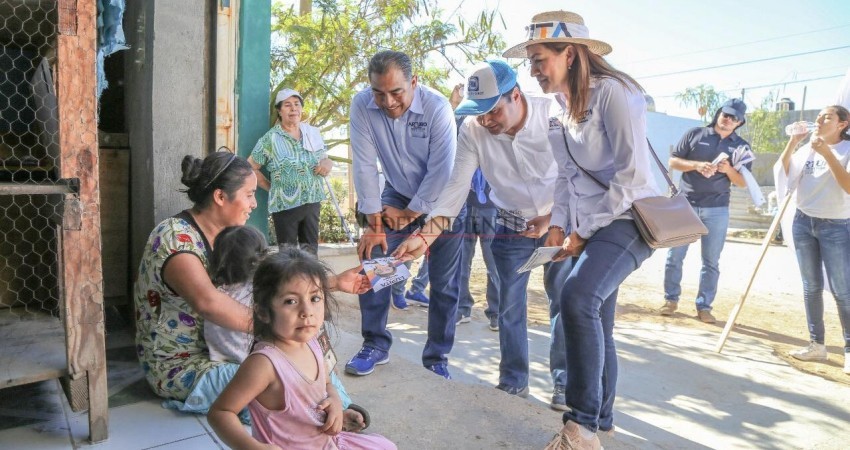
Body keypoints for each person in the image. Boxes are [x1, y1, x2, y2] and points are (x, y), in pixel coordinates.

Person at [504, 10, 662, 448]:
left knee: (576, 297)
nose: (534, 71)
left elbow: (631, 178)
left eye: (540, 60)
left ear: (570, 54)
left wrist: (584, 232)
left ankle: (581, 427)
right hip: (590, 223)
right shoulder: (558, 109)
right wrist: (558, 226)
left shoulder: (616, 93)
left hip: (628, 218)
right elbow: (566, 176)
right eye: (531, 62)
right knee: (594, 318)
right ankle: (602, 419)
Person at [133, 151, 369, 423]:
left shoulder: (228, 236)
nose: (254, 204)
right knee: (280, 378)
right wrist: (281, 328)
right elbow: (208, 303)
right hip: (187, 365)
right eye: (249, 194)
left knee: (303, 341)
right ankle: (328, 413)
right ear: (220, 197)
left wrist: (334, 283)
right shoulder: (174, 238)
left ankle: (338, 404)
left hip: (228, 352)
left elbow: (273, 282)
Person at [393, 60, 571, 409]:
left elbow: (576, 177)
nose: (486, 121)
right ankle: (514, 380)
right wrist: (425, 237)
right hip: (512, 225)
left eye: (493, 111)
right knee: (508, 305)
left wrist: (553, 220)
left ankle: (565, 382)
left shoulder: (553, 116)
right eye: (479, 112)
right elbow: (455, 189)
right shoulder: (473, 130)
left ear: (515, 95)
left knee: (563, 302)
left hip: (561, 223)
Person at [346, 50, 465, 380]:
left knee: (444, 282)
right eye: (378, 93)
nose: (388, 102)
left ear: (414, 82)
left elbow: (442, 171)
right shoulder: (361, 106)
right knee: (377, 261)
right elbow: (364, 165)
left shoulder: (437, 107)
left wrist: (411, 213)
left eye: (396, 92)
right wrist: (373, 222)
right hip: (396, 192)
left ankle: (437, 357)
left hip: (443, 202)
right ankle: (375, 344)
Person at [208, 249, 396, 449]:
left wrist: (335, 403)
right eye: (291, 301)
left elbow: (326, 384)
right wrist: (252, 447)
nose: (307, 312)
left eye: (315, 299)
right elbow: (220, 413)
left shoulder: (311, 342)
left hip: (327, 442)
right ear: (263, 312)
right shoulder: (264, 364)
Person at [660, 98, 752, 324]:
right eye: (725, 114)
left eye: (734, 118)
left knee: (711, 262)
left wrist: (728, 169)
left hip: (717, 209)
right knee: (674, 256)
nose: (728, 119)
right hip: (685, 205)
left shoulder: (742, 147)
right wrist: (697, 165)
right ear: (719, 113)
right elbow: (673, 162)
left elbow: (742, 182)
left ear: (739, 123)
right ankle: (670, 300)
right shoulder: (695, 134)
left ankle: (704, 306)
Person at [781, 106, 850, 375]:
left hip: (836, 226)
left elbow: (848, 186)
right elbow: (786, 171)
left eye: (827, 117)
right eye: (819, 116)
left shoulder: (845, 149)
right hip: (803, 221)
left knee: (842, 290)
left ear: (843, 124)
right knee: (811, 287)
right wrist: (793, 142)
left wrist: (827, 154)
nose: (819, 120)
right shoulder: (808, 147)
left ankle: (849, 349)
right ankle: (817, 345)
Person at [248, 88, 333, 255]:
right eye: (287, 105)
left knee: (311, 254)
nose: (293, 108)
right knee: (288, 257)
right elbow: (250, 167)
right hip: (285, 205)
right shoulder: (271, 138)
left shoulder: (312, 133)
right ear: (279, 111)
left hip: (312, 201)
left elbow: (325, 158)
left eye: (297, 104)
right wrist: (271, 187)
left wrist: (327, 163)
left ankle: (310, 274)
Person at [448, 82, 501, 331]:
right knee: (461, 261)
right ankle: (462, 308)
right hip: (465, 204)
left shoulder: (498, 124)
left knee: (494, 262)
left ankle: (497, 312)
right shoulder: (466, 124)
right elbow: (450, 132)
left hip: (492, 206)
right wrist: (455, 104)